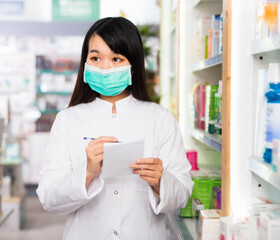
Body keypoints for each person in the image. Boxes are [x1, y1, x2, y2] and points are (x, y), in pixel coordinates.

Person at [36, 17, 194, 240]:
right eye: (96, 57)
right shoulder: (68, 120)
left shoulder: (160, 119)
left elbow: (183, 192)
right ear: (85, 62)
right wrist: (87, 173)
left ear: (134, 64)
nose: (104, 67)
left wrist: (161, 182)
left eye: (116, 58)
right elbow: (48, 197)